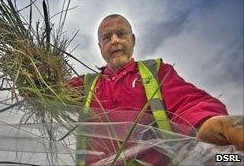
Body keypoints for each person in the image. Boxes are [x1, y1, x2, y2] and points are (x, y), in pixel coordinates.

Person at [69, 14, 243, 165]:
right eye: (107, 37)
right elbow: (48, 91)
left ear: (133, 39)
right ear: (100, 47)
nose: (115, 40)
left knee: (229, 159)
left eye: (121, 34)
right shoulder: (84, 85)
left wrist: (209, 121)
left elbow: (187, 101)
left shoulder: (156, 71)